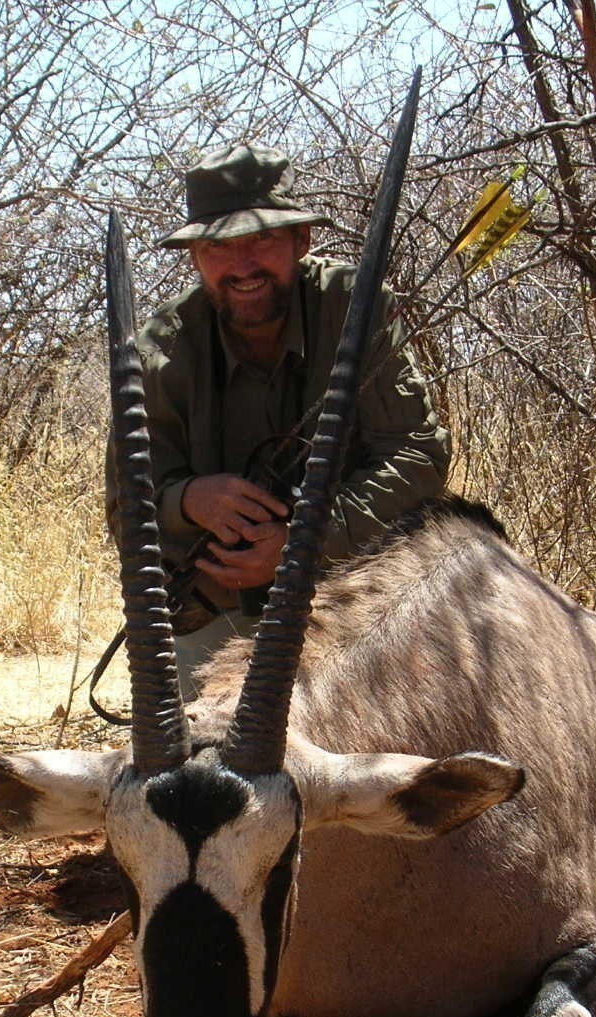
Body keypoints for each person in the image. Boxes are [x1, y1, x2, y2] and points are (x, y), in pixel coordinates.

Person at [108, 144, 450, 685]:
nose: (243, 265)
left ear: (301, 240)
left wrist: (304, 543)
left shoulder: (356, 309)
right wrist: (189, 499)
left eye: (262, 239)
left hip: (352, 599)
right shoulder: (157, 350)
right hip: (212, 612)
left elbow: (418, 456)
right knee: (190, 759)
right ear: (195, 256)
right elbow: (124, 504)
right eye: (219, 246)